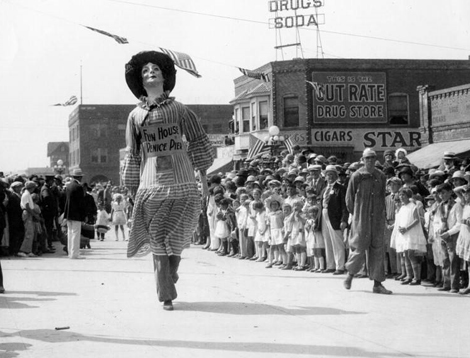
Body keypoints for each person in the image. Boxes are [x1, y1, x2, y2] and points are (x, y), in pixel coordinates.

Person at [122, 50, 213, 311]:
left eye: (156, 69)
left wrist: (204, 179)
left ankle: (169, 274)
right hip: (151, 184)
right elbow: (133, 154)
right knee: (156, 238)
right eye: (145, 71)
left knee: (178, 237)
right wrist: (131, 187)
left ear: (165, 77)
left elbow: (198, 141)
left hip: (183, 180)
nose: (150, 72)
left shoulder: (180, 109)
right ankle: (166, 293)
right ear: (140, 81)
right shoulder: (134, 116)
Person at [343, 148, 392, 294]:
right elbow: (349, 198)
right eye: (367, 158)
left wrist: (381, 213)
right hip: (361, 217)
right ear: (363, 160)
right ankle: (350, 275)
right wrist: (356, 213)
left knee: (378, 249)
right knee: (359, 246)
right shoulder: (357, 176)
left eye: (372, 158)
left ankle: (378, 284)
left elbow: (383, 195)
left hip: (377, 217)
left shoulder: (381, 176)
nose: (370, 161)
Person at [64, 169, 86, 259]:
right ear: (79, 177)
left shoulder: (68, 186)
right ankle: (75, 254)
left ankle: (70, 252)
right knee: (76, 233)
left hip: (69, 212)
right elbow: (81, 202)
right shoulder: (79, 187)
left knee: (70, 233)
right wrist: (83, 215)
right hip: (76, 213)